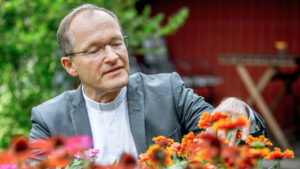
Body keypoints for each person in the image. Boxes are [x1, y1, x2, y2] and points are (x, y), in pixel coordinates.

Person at [29, 4, 267, 165]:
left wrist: (238, 108)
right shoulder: (50, 119)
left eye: (116, 43)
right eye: (95, 50)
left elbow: (229, 138)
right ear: (70, 66)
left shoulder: (168, 93)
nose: (112, 56)